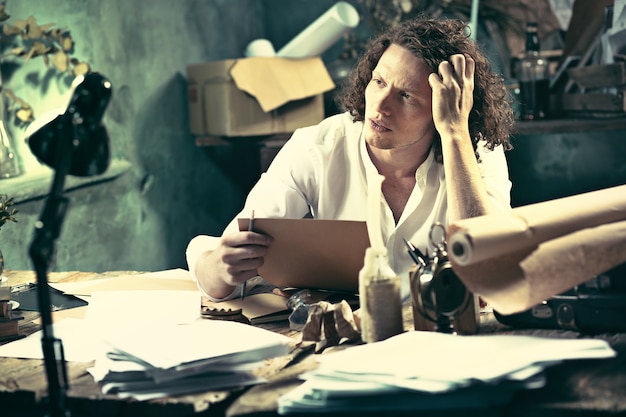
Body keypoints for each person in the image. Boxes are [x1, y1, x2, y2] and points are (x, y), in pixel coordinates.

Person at [186, 16, 514, 301]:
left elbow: (493, 267)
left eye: (406, 96)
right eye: (379, 81)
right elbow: (228, 256)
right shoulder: (318, 146)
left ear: (444, 105)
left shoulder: (474, 149)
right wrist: (219, 268)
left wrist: (454, 132)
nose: (381, 106)